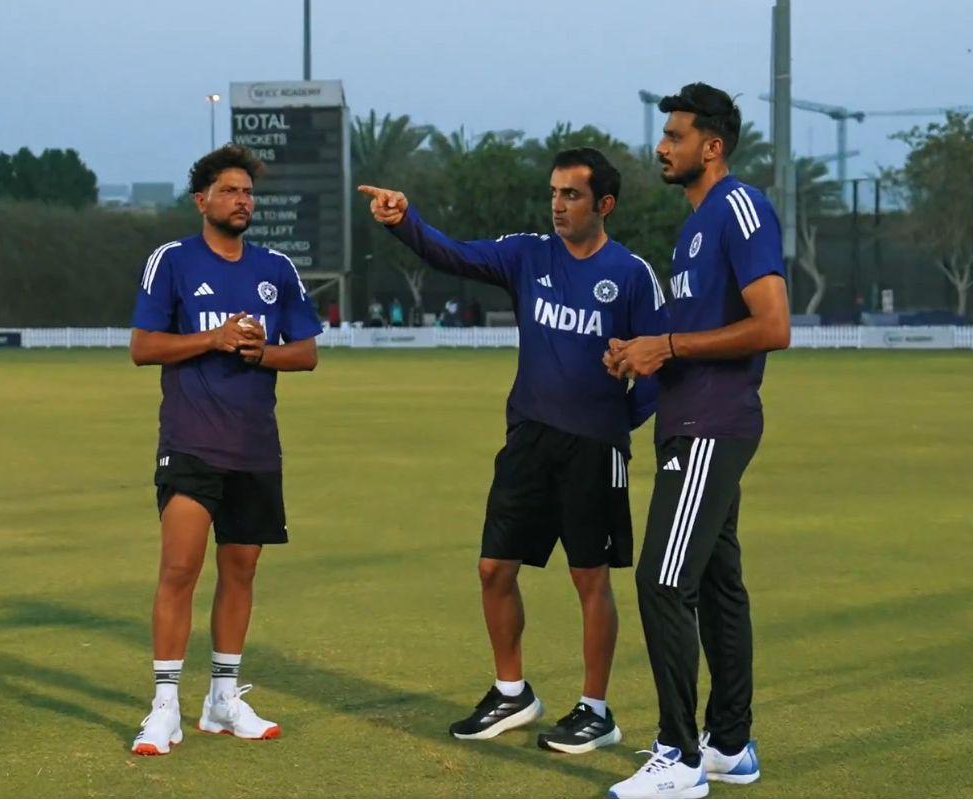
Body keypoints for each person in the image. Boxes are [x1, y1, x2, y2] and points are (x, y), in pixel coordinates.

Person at [359, 147, 668, 754]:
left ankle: (597, 710)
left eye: (572, 195)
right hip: (528, 439)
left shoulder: (631, 274)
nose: (558, 204)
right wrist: (404, 222)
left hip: (593, 448)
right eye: (554, 192)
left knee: (590, 578)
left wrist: (613, 423)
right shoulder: (530, 254)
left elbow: (657, 372)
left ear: (604, 204)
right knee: (494, 569)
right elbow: (453, 254)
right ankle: (512, 693)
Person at [603, 84, 790, 799]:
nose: (662, 146)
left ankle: (678, 759)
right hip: (691, 421)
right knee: (717, 585)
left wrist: (669, 343)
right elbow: (690, 340)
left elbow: (773, 326)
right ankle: (730, 747)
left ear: (711, 146)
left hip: (713, 425)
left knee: (661, 581)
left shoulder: (738, 208)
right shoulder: (695, 225)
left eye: (675, 136)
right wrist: (643, 353)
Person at [127, 144, 323, 755]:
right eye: (231, 191)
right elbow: (142, 345)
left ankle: (222, 699)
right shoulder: (173, 261)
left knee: (240, 572)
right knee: (180, 569)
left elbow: (308, 353)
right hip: (191, 441)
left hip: (254, 448)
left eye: (248, 193)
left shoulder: (276, 269)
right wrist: (212, 338)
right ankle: (164, 708)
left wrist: (258, 353)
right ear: (202, 200)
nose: (243, 201)